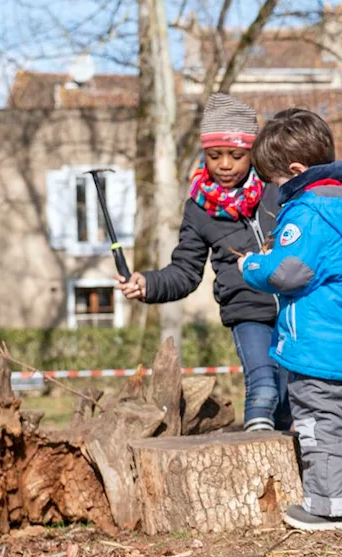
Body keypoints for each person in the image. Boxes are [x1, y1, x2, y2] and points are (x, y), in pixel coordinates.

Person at [240, 108, 342, 531]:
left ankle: (333, 506)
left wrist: (251, 266)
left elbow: (287, 272)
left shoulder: (307, 212)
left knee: (318, 423)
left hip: (318, 344)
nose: (275, 192)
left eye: (275, 182)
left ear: (295, 171)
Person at [115, 93, 289, 432]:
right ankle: (256, 447)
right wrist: (149, 283)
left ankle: (294, 471)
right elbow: (185, 271)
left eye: (236, 155)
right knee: (264, 388)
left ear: (252, 153)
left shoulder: (277, 190)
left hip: (294, 308)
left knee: (290, 398)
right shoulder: (199, 208)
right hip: (248, 312)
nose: (224, 165)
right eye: (214, 155)